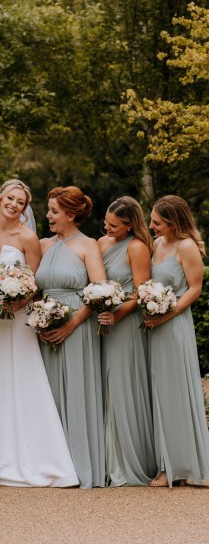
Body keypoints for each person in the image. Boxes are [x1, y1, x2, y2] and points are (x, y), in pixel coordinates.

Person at [0, 179, 78, 488]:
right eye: (11, 198)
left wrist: (15, 301)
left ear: (25, 208)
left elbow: (35, 282)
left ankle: (42, 460)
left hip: (18, 317)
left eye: (20, 202)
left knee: (26, 378)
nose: (14, 204)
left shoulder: (28, 237)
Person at [36, 186, 106, 489]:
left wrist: (71, 325)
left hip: (77, 325)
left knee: (76, 389)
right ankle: (52, 465)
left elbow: (100, 291)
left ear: (71, 214)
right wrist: (38, 320)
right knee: (47, 392)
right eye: (49, 210)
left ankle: (81, 464)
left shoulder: (88, 245)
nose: (48, 216)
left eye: (54, 211)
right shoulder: (41, 244)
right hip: (45, 325)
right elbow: (34, 288)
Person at [146, 195, 209, 487]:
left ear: (172, 221)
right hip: (153, 324)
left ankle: (180, 467)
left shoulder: (187, 247)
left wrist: (166, 314)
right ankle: (168, 462)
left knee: (175, 392)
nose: (151, 226)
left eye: (157, 222)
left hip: (174, 325)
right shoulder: (157, 244)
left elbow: (194, 289)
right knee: (158, 393)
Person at [97, 196, 157, 486]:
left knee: (121, 385)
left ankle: (125, 460)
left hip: (124, 324)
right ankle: (104, 459)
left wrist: (117, 315)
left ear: (130, 225)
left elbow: (139, 291)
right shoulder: (101, 243)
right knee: (102, 386)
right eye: (106, 222)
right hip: (100, 322)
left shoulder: (136, 247)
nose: (107, 228)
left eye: (114, 225)